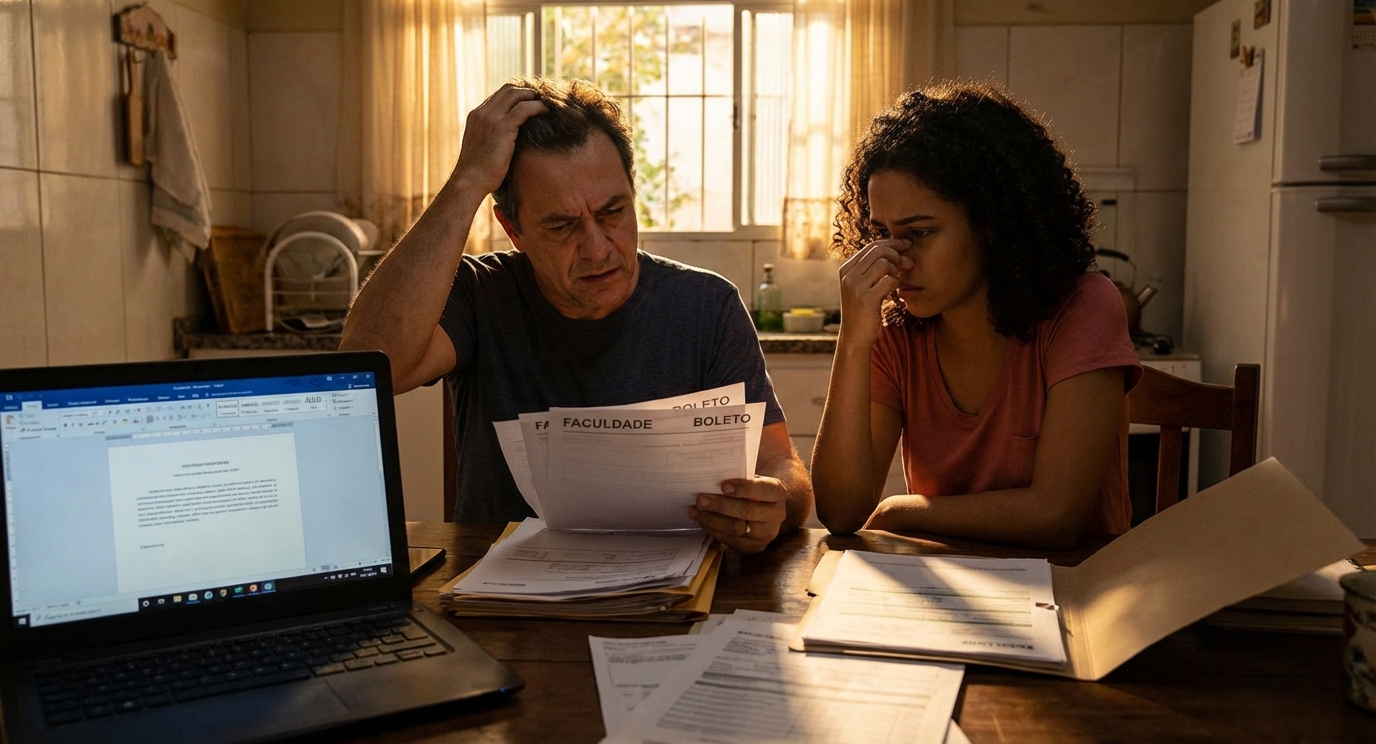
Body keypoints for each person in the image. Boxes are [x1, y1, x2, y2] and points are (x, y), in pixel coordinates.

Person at [339, 79, 811, 553]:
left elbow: (780, 465)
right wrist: (467, 180)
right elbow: (367, 368)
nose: (597, 249)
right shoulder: (477, 293)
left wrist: (774, 503)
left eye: (612, 211)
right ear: (514, 230)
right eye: (561, 225)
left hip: (674, 581)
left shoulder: (707, 305)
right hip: (501, 585)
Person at [810, 82, 1141, 549]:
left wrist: (898, 510)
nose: (897, 259)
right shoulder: (897, 329)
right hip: (947, 582)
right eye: (881, 233)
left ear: (993, 226)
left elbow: (1056, 516)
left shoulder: (1083, 307)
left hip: (1075, 583)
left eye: (921, 233)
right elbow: (842, 512)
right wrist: (853, 342)